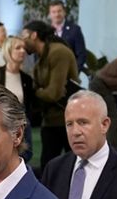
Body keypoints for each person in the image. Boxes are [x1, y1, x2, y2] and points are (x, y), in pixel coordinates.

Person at [21, 20, 77, 169]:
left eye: (24, 36)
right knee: (48, 167)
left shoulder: (58, 52)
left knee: (71, 168)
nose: (22, 42)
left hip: (66, 121)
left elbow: (53, 93)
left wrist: (35, 92)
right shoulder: (41, 60)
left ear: (34, 35)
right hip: (50, 121)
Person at [2, 36, 40, 128]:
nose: (23, 51)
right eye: (18, 48)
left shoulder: (27, 79)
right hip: (0, 125)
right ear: (8, 51)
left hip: (21, 126)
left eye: (24, 48)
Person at [49, 1, 86, 72]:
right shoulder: (45, 31)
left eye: (59, 11)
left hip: (69, 74)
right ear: (50, 14)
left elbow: (81, 55)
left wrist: (73, 73)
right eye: (53, 12)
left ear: (64, 12)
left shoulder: (75, 30)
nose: (57, 14)